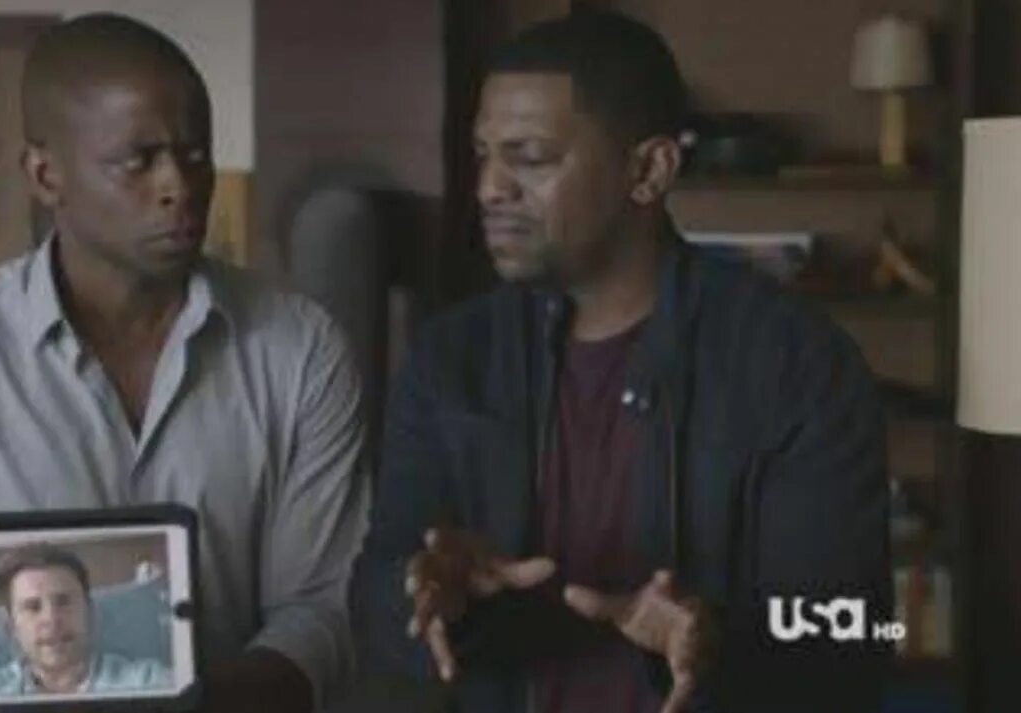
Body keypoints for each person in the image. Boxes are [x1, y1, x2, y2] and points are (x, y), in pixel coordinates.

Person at [0, 14, 367, 713]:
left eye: (195, 155)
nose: (178, 186)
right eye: (138, 161)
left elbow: (323, 611)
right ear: (45, 174)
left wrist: (198, 703)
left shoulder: (299, 351)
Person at [353, 10, 891, 713]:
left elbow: (858, 632)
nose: (489, 187)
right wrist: (427, 598)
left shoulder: (797, 362)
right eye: (484, 154)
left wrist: (717, 641)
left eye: (530, 158)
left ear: (648, 170)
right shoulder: (451, 356)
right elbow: (371, 600)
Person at [0, 543, 169, 697]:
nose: (51, 619)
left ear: (89, 611)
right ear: (11, 628)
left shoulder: (150, 682)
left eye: (63, 602)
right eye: (32, 607)